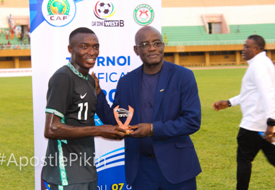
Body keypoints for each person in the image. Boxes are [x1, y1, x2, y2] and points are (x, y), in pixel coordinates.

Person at [93, 26, 201, 189]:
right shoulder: (126, 82)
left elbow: (192, 121)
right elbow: (116, 121)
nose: (152, 48)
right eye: (145, 44)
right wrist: (98, 92)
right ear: (136, 50)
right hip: (141, 168)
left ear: (163, 46)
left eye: (156, 43)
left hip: (177, 166)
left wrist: (152, 129)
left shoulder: (183, 76)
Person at [42, 27, 125, 190]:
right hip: (66, 173)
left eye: (95, 47)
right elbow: (51, 129)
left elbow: (82, 121)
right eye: (84, 46)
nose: (92, 52)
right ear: (70, 49)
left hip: (87, 168)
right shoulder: (63, 77)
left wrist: (114, 132)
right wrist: (99, 130)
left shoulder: (89, 80)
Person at [213, 35, 275, 190]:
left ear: (257, 49)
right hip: (263, 126)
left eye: (247, 46)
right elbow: (252, 92)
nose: (243, 49)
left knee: (244, 161)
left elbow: (268, 93)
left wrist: (271, 123)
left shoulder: (258, 66)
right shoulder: (263, 63)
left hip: (254, 126)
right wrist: (228, 103)